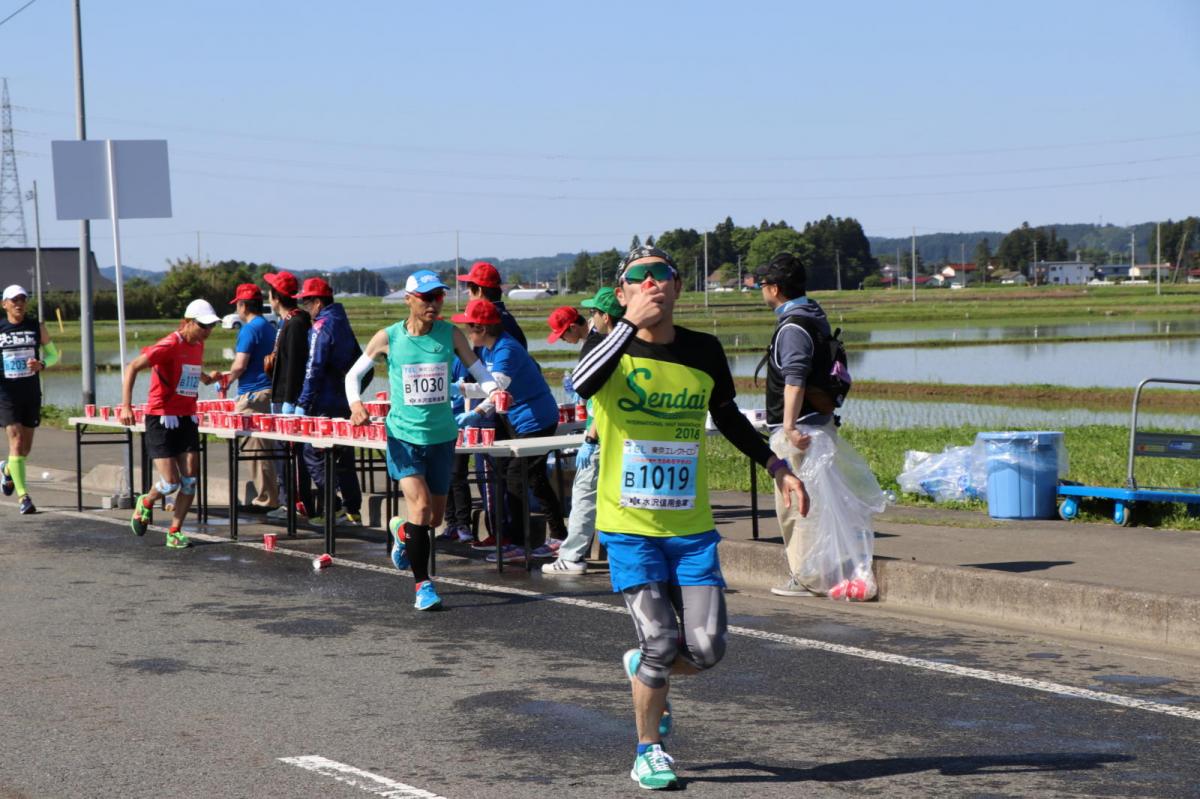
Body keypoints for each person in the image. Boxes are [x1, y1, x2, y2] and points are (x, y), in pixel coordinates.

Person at [571, 246, 808, 790]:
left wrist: (776, 466)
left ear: (678, 287)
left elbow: (726, 415)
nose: (652, 282)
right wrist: (627, 324)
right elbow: (581, 383)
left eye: (663, 274)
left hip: (690, 528)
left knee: (705, 649)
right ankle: (648, 750)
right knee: (660, 641)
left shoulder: (703, 350)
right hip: (629, 527)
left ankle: (644, 670)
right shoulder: (607, 347)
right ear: (622, 292)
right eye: (639, 276)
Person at [344, 270, 507, 610]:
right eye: (426, 297)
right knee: (420, 508)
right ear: (409, 300)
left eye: (439, 297)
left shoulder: (451, 334)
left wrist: (494, 391)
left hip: (442, 436)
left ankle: (402, 531)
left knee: (433, 518)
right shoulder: (388, 337)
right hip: (403, 436)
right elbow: (353, 375)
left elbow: (479, 371)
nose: (434, 303)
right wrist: (356, 404)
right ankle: (423, 586)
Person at [757, 252, 884, 600]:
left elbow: (795, 379)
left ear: (776, 288)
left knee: (797, 507)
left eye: (762, 284)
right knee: (812, 503)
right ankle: (816, 572)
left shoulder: (793, 327)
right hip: (818, 424)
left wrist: (788, 427)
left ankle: (807, 577)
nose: (761, 290)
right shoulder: (814, 317)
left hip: (801, 430)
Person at [453, 299, 565, 563]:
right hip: (519, 419)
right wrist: (464, 393)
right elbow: (491, 388)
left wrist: (470, 403)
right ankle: (558, 536)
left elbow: (498, 386)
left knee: (518, 477)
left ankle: (519, 543)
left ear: (482, 328)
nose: (467, 332)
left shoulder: (507, 349)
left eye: (470, 327)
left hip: (536, 419)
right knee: (533, 477)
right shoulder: (488, 350)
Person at [120, 299, 221, 548]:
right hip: (161, 417)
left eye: (211, 326)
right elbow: (132, 367)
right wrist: (126, 406)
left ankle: (174, 531)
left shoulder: (198, 344)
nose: (207, 331)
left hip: (187, 416)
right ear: (187, 322)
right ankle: (146, 501)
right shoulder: (169, 344)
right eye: (203, 326)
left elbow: (189, 370)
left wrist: (207, 379)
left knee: (190, 480)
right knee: (170, 482)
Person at [543, 289, 622, 575]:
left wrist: (590, 437)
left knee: (584, 494)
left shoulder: (598, 344)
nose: (592, 317)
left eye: (595, 313)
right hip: (615, 433)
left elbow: (604, 400)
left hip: (600, 433)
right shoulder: (618, 342)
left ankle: (572, 556)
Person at [294, 277, 363, 527]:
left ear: (318, 302)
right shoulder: (342, 321)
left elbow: (313, 368)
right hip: (346, 402)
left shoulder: (321, 327)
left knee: (313, 454)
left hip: (324, 402)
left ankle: (333, 505)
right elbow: (359, 361)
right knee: (344, 455)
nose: (305, 307)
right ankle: (353, 509)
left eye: (307, 302)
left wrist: (303, 403)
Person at [210, 283, 278, 511]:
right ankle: (269, 495)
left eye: (237, 305)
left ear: (243, 306)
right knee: (266, 447)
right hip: (268, 391)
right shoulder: (268, 327)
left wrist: (226, 380)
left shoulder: (249, 330)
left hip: (253, 395)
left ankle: (266, 499)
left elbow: (240, 364)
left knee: (256, 449)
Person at [0, 284, 60, 514]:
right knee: (15, 442)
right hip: (6, 393)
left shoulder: (36, 326)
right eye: (14, 300)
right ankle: (23, 497)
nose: (19, 303)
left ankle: (7, 470)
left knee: (25, 448)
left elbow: (53, 355)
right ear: (4, 304)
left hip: (30, 392)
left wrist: (42, 364)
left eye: (22, 299)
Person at [262, 271, 314, 522]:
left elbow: (295, 365)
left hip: (288, 398)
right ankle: (287, 501)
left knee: (291, 454)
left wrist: (292, 402)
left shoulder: (295, 323)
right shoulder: (289, 321)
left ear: (275, 297)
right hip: (281, 395)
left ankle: (296, 503)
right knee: (283, 454)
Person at [456, 261, 527, 348]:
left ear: (479, 291)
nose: (469, 294)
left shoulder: (490, 321)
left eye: (469, 290)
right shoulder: (505, 317)